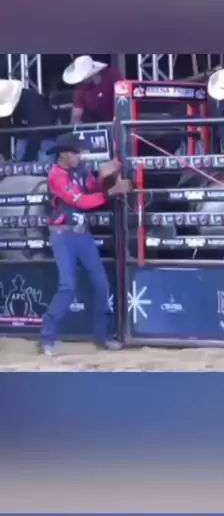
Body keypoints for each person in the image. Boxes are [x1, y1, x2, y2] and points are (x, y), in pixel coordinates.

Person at [40, 132, 131, 357]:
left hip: (82, 234)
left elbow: (91, 189)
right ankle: (47, 337)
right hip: (63, 235)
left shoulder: (79, 170)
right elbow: (81, 201)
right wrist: (112, 191)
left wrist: (104, 177)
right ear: (64, 153)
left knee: (101, 284)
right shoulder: (56, 176)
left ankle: (102, 336)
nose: (79, 156)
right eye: (76, 153)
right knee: (67, 286)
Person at [0, 79, 57, 163]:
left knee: (45, 164)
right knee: (21, 163)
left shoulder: (33, 101)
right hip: (24, 135)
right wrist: (6, 155)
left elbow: (38, 130)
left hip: (45, 135)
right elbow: (4, 129)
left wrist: (27, 158)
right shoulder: (4, 101)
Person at [63, 56, 123, 124]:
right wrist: (79, 124)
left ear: (90, 75)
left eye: (81, 78)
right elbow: (75, 116)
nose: (79, 81)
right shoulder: (80, 89)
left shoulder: (112, 76)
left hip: (117, 123)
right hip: (94, 127)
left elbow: (124, 100)